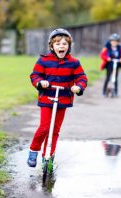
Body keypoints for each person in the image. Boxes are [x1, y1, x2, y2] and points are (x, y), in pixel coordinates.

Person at [27, 28, 88, 167]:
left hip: (63, 99)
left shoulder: (74, 62)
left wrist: (78, 87)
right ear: (52, 46)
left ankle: (48, 155)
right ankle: (33, 150)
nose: (61, 46)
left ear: (69, 46)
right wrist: (40, 82)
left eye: (65, 44)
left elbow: (81, 77)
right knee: (44, 127)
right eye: (58, 44)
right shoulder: (44, 60)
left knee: (54, 130)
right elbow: (34, 75)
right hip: (47, 99)